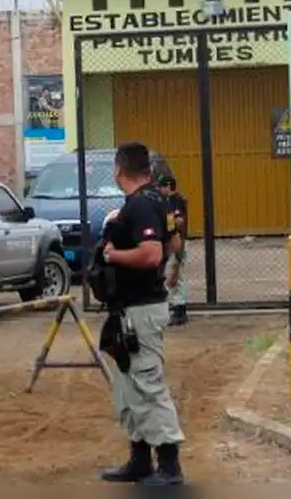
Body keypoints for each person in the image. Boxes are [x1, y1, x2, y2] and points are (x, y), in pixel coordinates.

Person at [98, 142, 186, 486]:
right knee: (127, 386)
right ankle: (139, 459)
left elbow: (151, 254)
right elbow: (172, 245)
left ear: (120, 168)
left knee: (147, 385)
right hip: (129, 308)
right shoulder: (156, 201)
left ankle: (169, 466)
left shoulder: (141, 205)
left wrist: (112, 256)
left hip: (141, 311)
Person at [158, 175, 189, 326]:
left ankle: (180, 310)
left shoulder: (176, 200)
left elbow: (180, 221)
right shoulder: (166, 201)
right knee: (168, 276)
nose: (160, 189)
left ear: (169, 186)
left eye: (162, 186)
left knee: (175, 276)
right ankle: (175, 308)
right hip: (169, 244)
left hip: (177, 243)